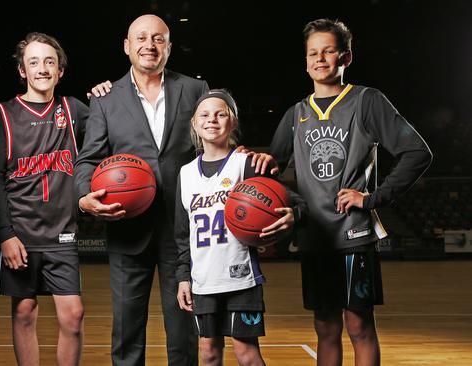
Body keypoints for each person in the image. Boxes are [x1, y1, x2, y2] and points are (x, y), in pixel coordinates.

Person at [75, 14, 276, 366]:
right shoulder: (106, 99)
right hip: (128, 228)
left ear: (168, 47)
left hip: (184, 233)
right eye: (140, 38)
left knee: (184, 330)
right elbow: (87, 160)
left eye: (157, 38)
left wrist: (239, 155)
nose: (148, 45)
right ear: (127, 46)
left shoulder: (196, 90)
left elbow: (214, 144)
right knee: (126, 329)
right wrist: (84, 197)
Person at [269, 19, 432, 366]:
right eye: (313, 52)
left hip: (353, 234)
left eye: (329, 51)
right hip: (314, 237)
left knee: (359, 326)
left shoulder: (366, 101)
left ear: (346, 57)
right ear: (306, 60)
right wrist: (246, 159)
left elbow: (417, 152)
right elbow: (271, 173)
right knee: (325, 328)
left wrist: (372, 199)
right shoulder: (296, 113)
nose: (320, 59)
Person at [175, 89, 299, 366]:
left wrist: (293, 215)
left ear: (232, 122)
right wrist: (184, 277)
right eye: (204, 115)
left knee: (246, 353)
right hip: (203, 279)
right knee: (208, 353)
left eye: (221, 114)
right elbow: (182, 234)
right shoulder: (185, 174)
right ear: (194, 123)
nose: (212, 120)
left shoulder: (247, 164)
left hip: (240, 277)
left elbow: (292, 200)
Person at [0, 32, 88, 365]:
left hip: (62, 233)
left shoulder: (74, 111)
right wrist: (5, 234)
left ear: (60, 70)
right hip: (20, 235)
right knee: (25, 312)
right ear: (22, 69)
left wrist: (106, 95)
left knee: (73, 315)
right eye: (34, 62)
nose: (42, 68)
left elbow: (113, 129)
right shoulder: (3, 113)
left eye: (49, 62)